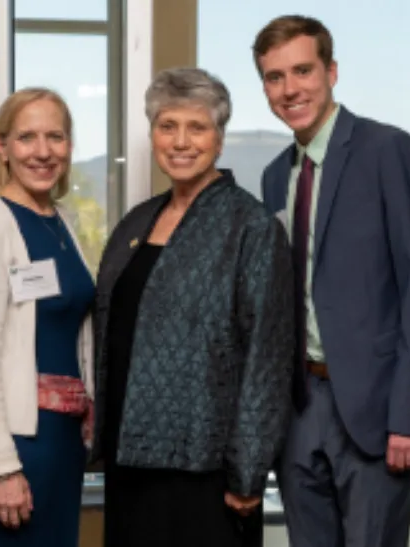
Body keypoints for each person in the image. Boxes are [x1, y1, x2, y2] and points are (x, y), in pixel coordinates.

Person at [255, 15, 410, 547]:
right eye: (274, 77)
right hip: (298, 411)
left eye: (302, 70)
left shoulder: (388, 151)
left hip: (375, 411)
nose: (290, 89)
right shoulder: (277, 175)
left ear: (331, 71)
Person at [91, 67, 295, 547]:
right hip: (129, 460)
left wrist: (247, 470)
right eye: (168, 126)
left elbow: (268, 358)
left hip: (204, 470)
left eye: (197, 127)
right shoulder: (137, 221)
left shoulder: (252, 227)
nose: (181, 141)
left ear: (219, 140)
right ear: (153, 134)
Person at [0, 87, 95, 547]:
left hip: (63, 440)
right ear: (3, 147)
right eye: (27, 137)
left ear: (69, 146)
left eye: (55, 136)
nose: (42, 151)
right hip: (16, 443)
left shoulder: (59, 221)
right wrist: (1, 465)